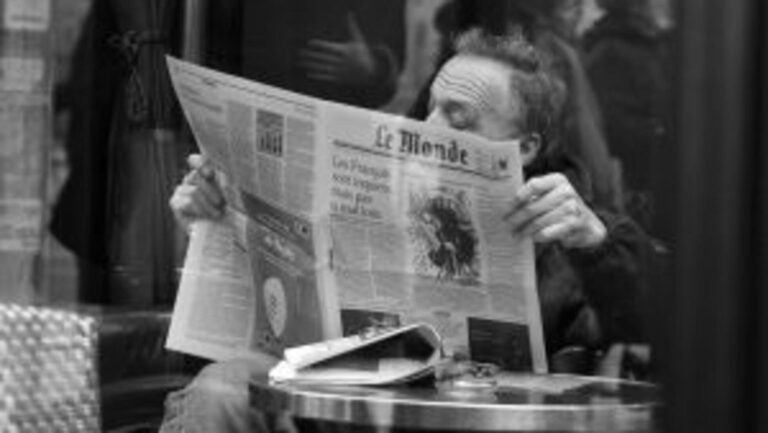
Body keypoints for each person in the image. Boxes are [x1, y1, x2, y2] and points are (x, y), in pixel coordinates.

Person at [161, 29, 650, 432]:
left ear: (524, 147)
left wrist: (599, 247)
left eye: (458, 117)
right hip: (344, 412)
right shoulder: (370, 194)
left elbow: (660, 337)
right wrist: (215, 226)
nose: (429, 127)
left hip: (473, 420)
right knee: (223, 389)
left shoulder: (572, 231)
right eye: (429, 108)